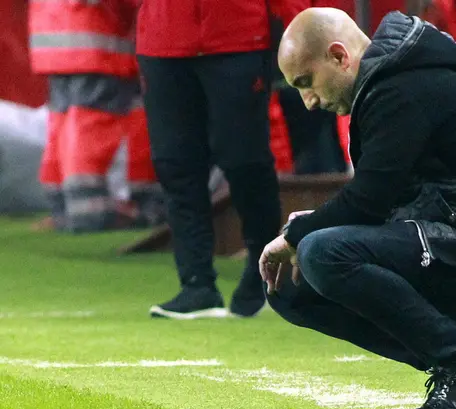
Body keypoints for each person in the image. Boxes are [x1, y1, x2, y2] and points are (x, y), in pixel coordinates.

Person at [258, 8, 456, 409]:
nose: (308, 102)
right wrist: (317, 226)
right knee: (289, 288)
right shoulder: (387, 86)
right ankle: (451, 359)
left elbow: (369, 200)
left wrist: (302, 231)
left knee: (321, 252)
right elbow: (389, 198)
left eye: (307, 83)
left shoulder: (401, 89)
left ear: (339, 56)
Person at [136, 0, 307, 319]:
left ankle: (265, 273)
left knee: (245, 162)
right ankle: (196, 284)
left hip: (238, 38)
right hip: (163, 40)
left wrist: (299, 25)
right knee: (175, 164)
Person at [29, 0, 163, 232]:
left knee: (63, 126)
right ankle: (91, 213)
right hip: (95, 43)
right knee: (92, 127)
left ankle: (65, 209)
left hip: (54, 41)